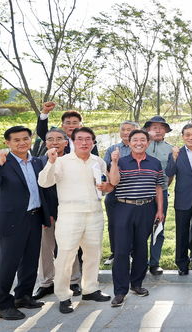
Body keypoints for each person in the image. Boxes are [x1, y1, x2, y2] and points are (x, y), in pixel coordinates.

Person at [38, 127, 115, 313]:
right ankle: (64, 296)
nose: (84, 142)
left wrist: (106, 187)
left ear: (93, 142)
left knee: (93, 253)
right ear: (72, 142)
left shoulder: (98, 161)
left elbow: (106, 185)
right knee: (65, 256)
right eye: (79, 139)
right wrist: (51, 162)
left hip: (95, 213)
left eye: (88, 139)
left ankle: (90, 288)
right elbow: (44, 182)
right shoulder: (61, 161)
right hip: (70, 214)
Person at [0, 126, 50, 320]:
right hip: (11, 221)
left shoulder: (37, 161)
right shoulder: (3, 162)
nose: (22, 143)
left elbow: (43, 190)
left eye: (25, 138)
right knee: (8, 263)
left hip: (34, 218)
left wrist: (46, 216)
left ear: (30, 139)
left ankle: (23, 296)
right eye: (16, 140)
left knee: (30, 261)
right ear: (8, 143)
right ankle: (3, 305)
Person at [109, 129, 165, 307]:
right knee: (121, 251)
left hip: (147, 208)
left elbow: (159, 188)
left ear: (148, 143)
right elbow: (114, 182)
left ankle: (137, 284)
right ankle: (120, 291)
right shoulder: (122, 161)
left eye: (143, 140)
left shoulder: (155, 163)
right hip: (124, 208)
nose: (139, 142)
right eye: (135, 140)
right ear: (129, 142)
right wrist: (114, 162)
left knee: (141, 248)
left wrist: (160, 210)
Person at [33, 129, 82, 300]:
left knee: (70, 247)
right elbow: (40, 190)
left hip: (70, 212)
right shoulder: (38, 162)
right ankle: (46, 283)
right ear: (45, 143)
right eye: (50, 139)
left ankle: (74, 280)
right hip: (47, 213)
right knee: (45, 249)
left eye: (59, 139)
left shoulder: (74, 161)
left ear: (66, 142)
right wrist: (47, 214)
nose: (55, 142)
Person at [166, 124, 192, 275]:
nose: (191, 137)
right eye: (187, 135)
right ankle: (181, 263)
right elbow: (169, 172)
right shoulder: (177, 153)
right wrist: (174, 158)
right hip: (183, 197)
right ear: (183, 136)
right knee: (182, 231)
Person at [102, 121, 139, 266]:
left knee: (133, 225)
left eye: (129, 130)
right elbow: (104, 168)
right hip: (114, 192)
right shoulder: (112, 148)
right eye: (123, 130)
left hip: (134, 193)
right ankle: (115, 252)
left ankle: (132, 252)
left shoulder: (140, 148)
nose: (125, 132)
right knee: (114, 224)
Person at [143, 115, 173, 276]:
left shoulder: (170, 149)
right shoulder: (141, 145)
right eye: (154, 127)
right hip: (139, 192)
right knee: (140, 228)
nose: (158, 130)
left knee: (158, 228)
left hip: (161, 193)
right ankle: (138, 260)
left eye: (162, 127)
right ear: (148, 129)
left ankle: (154, 262)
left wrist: (163, 188)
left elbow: (171, 172)